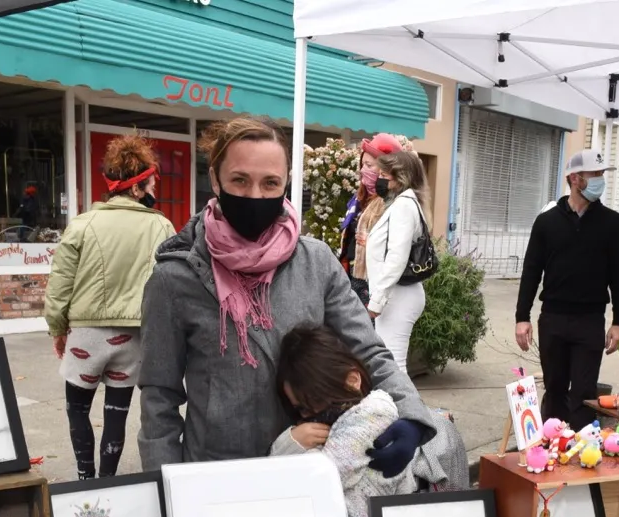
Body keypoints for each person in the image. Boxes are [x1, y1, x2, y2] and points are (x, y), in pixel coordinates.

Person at [138, 116, 434, 474]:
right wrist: (165, 486)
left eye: (270, 183)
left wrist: (412, 415)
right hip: (218, 475)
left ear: (286, 182)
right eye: (239, 180)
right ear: (215, 179)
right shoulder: (176, 278)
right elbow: (159, 398)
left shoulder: (315, 262)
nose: (255, 195)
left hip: (309, 472)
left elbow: (368, 351)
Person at [45, 134, 175, 479]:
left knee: (77, 410)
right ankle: (107, 482)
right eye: (151, 182)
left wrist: (57, 328)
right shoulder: (161, 225)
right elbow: (170, 284)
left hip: (85, 336)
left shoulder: (82, 224)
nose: (153, 188)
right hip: (132, 338)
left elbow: (60, 283)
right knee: (117, 415)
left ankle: (84, 479)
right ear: (136, 187)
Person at [269, 326, 468, 517]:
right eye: (302, 409)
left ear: (353, 381)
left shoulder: (372, 413)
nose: (313, 414)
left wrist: (289, 444)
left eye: (317, 400)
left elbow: (321, 478)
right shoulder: (338, 423)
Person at [515, 148, 619, 429]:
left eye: (602, 173)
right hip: (553, 318)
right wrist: (522, 316)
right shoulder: (547, 222)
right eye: (595, 174)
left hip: (590, 321)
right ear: (575, 178)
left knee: (583, 395)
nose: (601, 179)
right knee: (554, 390)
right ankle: (551, 446)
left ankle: (581, 449)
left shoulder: (612, 223)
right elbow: (531, 271)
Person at [366, 149, 432, 372]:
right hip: (397, 295)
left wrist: (377, 301)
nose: (380, 179)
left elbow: (397, 257)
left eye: (384, 175)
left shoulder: (403, 205)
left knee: (393, 368)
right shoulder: (404, 204)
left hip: (397, 296)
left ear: (400, 178)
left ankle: (402, 398)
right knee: (390, 366)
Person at [340, 133, 403, 306]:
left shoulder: (391, 203)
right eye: (362, 164)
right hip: (350, 275)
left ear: (387, 172)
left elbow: (396, 249)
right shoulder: (358, 200)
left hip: (370, 282)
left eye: (369, 165)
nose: (362, 170)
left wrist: (372, 242)